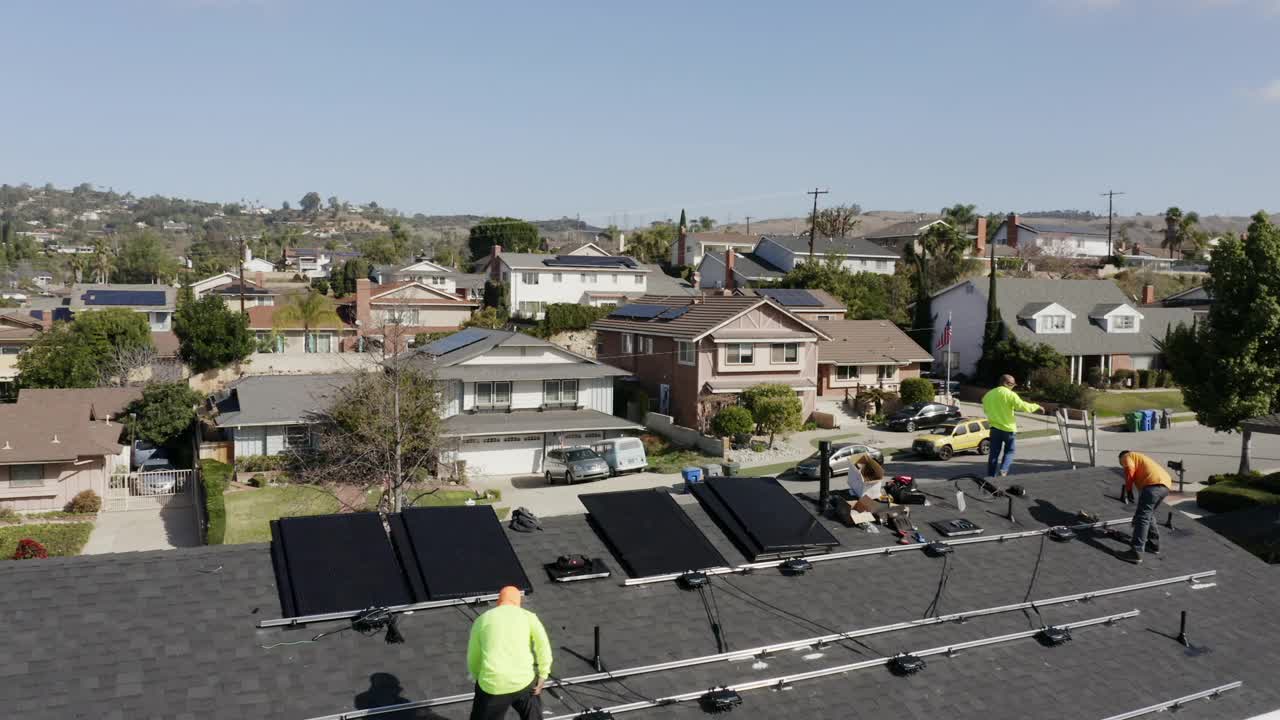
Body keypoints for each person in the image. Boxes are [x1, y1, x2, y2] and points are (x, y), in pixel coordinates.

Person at [467, 586, 552, 720]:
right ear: (518, 602)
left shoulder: (482, 620)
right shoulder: (529, 617)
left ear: (499, 601)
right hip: (524, 682)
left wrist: (478, 677)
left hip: (493, 684)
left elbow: (473, 656)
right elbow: (543, 646)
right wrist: (543, 674)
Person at [1116, 450, 1172, 564]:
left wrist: (1128, 489)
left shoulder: (1127, 456)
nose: (1123, 465)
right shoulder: (1141, 460)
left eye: (1121, 464)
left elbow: (1129, 470)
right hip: (1165, 485)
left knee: (1143, 518)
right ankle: (1153, 545)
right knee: (1148, 514)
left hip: (1153, 485)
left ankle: (1135, 552)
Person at [981, 374, 1042, 478]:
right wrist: (1036, 406)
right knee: (1009, 451)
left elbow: (986, 410)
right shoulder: (1010, 394)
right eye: (1013, 384)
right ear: (1006, 383)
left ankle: (991, 476)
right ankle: (1003, 470)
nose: (1013, 386)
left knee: (993, 454)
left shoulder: (988, 395)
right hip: (1008, 429)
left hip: (994, 429)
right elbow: (1022, 406)